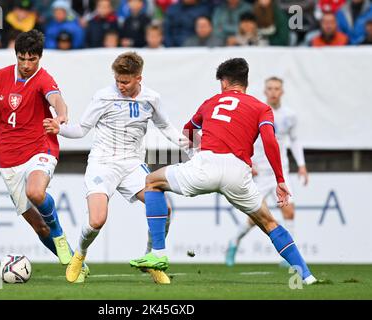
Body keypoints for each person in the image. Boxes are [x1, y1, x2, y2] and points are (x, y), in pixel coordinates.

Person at [129, 58, 318, 285]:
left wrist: (197, 152)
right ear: (245, 83)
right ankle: (306, 276)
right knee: (269, 223)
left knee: (151, 181)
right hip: (238, 173)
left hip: (205, 166)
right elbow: (270, 140)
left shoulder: (211, 102)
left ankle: (158, 253)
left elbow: (188, 132)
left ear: (224, 82)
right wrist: (280, 178)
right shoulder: (262, 108)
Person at [43, 52, 190, 284]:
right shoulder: (103, 97)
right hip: (103, 163)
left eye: (125, 81)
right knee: (97, 220)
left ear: (138, 78)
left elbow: (166, 127)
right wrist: (58, 128)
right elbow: (81, 129)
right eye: (117, 80)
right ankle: (79, 256)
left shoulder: (151, 98)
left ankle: (151, 258)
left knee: (165, 210)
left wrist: (191, 146)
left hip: (132, 165)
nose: (120, 85)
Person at [0, 29, 89, 283]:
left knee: (36, 192)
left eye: (31, 59)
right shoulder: (0, 77)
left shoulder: (44, 78)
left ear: (39, 58)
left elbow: (57, 99)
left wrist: (61, 115)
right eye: (22, 58)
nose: (26, 64)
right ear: (16, 56)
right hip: (9, 160)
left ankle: (59, 233)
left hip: (40, 147)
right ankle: (78, 264)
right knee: (38, 226)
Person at [225, 76, 309, 267]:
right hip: (259, 173)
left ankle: (289, 257)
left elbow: (295, 141)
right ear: (264, 91)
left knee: (289, 211)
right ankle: (234, 242)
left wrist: (302, 165)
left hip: (281, 172)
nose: (273, 92)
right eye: (270, 88)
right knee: (255, 218)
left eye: (277, 88)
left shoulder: (290, 116)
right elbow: (244, 139)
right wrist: (247, 162)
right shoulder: (257, 112)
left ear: (282, 92)